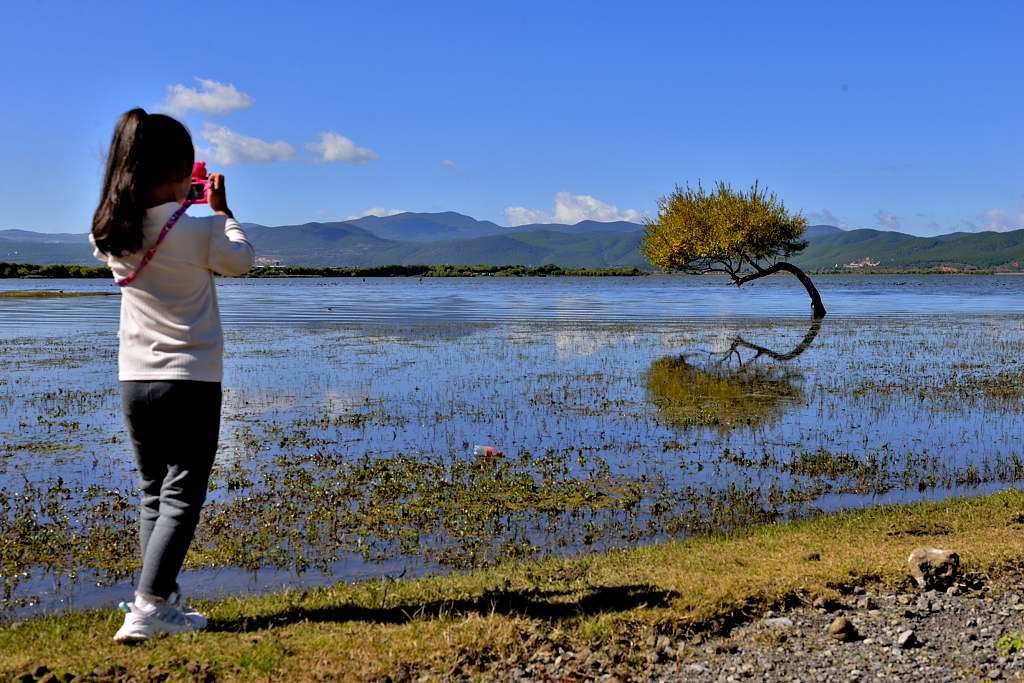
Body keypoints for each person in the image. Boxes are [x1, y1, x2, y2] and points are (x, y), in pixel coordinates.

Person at [89, 108, 255, 642]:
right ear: (180, 171)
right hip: (191, 378)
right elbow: (242, 260)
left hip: (134, 379)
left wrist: (180, 202)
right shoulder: (203, 228)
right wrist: (223, 211)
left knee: (153, 491)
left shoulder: (112, 232)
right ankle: (147, 606)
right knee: (183, 494)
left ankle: (163, 598)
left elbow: (154, 226)